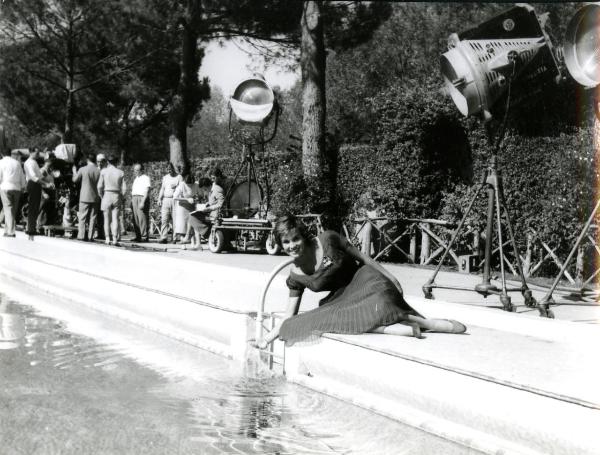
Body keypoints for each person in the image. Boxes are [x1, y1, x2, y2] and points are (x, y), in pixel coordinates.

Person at [252, 215, 467, 348]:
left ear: (303, 236)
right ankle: (391, 328)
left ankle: (427, 323)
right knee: (326, 318)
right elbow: (289, 317)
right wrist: (266, 340)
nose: (292, 246)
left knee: (381, 298)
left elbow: (363, 257)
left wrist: (390, 276)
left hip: (363, 279)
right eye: (286, 242)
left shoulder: (328, 239)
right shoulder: (295, 276)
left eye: (295, 238)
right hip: (340, 300)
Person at [188, 168, 225, 243]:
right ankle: (194, 239)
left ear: (207, 186)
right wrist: (206, 205)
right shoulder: (211, 189)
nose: (205, 191)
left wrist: (209, 208)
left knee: (193, 218)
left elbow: (221, 204)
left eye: (205, 189)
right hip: (211, 213)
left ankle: (200, 235)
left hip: (216, 215)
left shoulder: (217, 189)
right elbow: (213, 201)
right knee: (192, 216)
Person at [97, 155, 126, 246]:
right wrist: (121, 196)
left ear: (108, 162)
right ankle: (115, 239)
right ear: (116, 162)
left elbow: (99, 186)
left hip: (107, 194)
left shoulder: (104, 171)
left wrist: (101, 195)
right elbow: (124, 188)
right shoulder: (120, 172)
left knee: (106, 219)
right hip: (116, 194)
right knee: (115, 219)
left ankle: (107, 238)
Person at [72, 153, 101, 241]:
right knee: (93, 218)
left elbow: (75, 180)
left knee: (82, 217)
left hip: (84, 196)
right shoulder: (98, 170)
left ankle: (81, 235)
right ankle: (90, 236)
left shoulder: (82, 169)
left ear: (87, 160)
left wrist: (74, 171)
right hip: (95, 196)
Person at [0, 150, 26, 237]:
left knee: (8, 209)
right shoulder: (17, 163)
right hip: (16, 188)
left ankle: (11, 232)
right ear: (10, 154)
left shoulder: (1, 162)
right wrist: (23, 186)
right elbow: (22, 176)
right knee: (13, 210)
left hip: (5, 187)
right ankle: (7, 230)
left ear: (2, 154)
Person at [157, 162, 183, 244]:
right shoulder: (165, 177)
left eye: (170, 169)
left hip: (175, 200)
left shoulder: (179, 177)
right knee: (164, 219)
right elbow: (162, 188)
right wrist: (159, 199)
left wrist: (176, 187)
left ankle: (174, 238)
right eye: (167, 169)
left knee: (175, 220)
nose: (169, 171)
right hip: (165, 199)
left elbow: (182, 188)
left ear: (173, 168)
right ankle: (164, 237)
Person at [173, 172, 200, 244]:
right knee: (182, 224)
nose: (190, 186)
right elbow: (175, 197)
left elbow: (200, 194)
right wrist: (186, 199)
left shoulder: (196, 184)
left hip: (191, 205)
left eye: (191, 184)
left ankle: (190, 239)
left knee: (191, 221)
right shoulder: (182, 185)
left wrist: (196, 199)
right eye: (188, 184)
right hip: (182, 206)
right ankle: (183, 238)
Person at [24, 147, 43, 240]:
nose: (38, 154)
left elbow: (39, 175)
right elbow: (34, 177)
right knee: (32, 207)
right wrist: (45, 183)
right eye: (37, 152)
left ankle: (32, 227)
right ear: (31, 152)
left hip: (37, 185)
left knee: (36, 207)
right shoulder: (28, 163)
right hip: (32, 184)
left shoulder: (35, 162)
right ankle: (30, 229)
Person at [130, 163, 151, 242]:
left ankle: (144, 236)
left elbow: (147, 190)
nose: (135, 172)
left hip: (142, 198)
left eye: (137, 170)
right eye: (135, 170)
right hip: (134, 198)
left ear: (142, 170)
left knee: (142, 218)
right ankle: (138, 236)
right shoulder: (136, 179)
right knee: (135, 219)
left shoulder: (145, 178)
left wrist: (143, 202)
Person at [37, 157, 56, 230]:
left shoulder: (50, 171)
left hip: (50, 192)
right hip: (44, 192)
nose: (51, 164)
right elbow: (38, 183)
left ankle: (42, 225)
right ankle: (36, 225)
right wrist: (43, 193)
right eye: (50, 163)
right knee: (41, 208)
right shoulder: (43, 171)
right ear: (46, 162)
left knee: (46, 210)